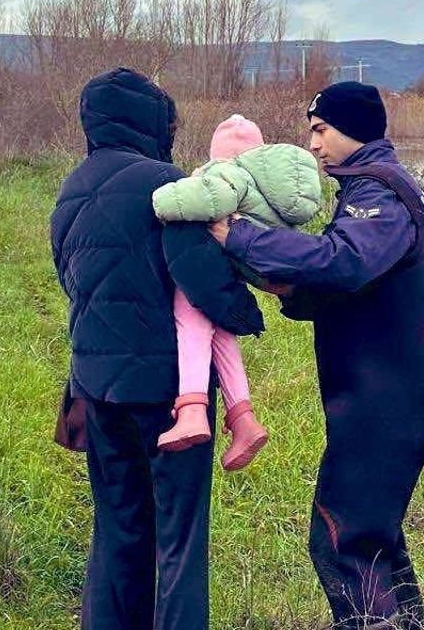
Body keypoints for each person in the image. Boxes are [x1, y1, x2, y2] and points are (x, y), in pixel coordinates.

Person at [210, 82, 424, 629]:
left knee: (343, 540)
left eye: (321, 130)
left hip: (388, 399)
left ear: (354, 129)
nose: (313, 145)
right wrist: (283, 286)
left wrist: (240, 237)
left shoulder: (380, 195)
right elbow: (347, 283)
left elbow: (343, 261)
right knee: (374, 539)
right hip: (391, 393)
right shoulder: (374, 188)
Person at [50, 68, 265, 630]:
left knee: (117, 529)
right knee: (179, 540)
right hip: (173, 394)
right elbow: (202, 278)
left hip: (96, 388)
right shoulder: (169, 186)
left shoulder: (70, 190)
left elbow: (70, 281)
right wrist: (249, 313)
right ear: (151, 122)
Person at [150, 114, 322, 470]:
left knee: (191, 320)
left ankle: (192, 409)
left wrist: (165, 197)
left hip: (213, 264)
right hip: (246, 267)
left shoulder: (230, 174)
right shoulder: (263, 184)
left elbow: (207, 199)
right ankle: (243, 418)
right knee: (222, 335)